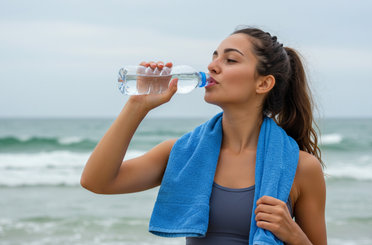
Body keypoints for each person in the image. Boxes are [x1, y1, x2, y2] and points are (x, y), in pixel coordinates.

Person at [80, 27, 327, 245]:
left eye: (230, 60)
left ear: (263, 84)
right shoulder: (183, 153)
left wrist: (293, 235)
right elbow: (96, 181)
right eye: (214, 56)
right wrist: (137, 105)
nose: (212, 66)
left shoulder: (301, 167)